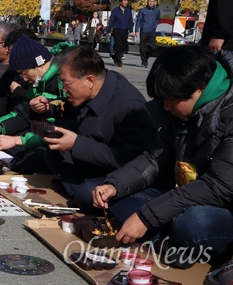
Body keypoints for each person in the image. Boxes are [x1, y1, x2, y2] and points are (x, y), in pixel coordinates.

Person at [94, 45, 233, 268]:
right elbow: (154, 157)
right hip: (185, 193)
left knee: (193, 223)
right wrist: (115, 185)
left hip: (220, 205)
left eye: (170, 99)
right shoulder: (183, 110)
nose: (166, 107)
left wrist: (146, 217)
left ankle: (170, 242)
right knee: (117, 202)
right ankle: (170, 244)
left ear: (198, 89)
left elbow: (217, 187)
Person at [29, 46, 158, 211]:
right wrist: (48, 109)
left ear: (89, 80)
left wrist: (76, 144)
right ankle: (76, 189)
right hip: (91, 161)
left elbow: (127, 159)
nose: (63, 89)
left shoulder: (128, 105)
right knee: (50, 154)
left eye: (67, 84)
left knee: (87, 193)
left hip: (120, 173)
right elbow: (70, 112)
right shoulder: (92, 89)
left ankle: (78, 192)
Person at [0, 38, 69, 173]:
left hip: (62, 139)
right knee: (2, 143)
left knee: (34, 156)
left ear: (38, 64)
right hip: (42, 133)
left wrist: (18, 140)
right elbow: (23, 111)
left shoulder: (63, 79)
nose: (23, 79)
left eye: (24, 73)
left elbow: (65, 120)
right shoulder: (38, 85)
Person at [135, 0, 160, 68]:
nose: (151, 3)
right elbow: (138, 20)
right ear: (147, 2)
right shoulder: (143, 10)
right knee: (142, 47)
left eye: (152, 1)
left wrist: (155, 25)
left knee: (153, 47)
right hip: (144, 30)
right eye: (149, 1)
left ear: (154, 2)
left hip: (152, 31)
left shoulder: (157, 10)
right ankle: (144, 61)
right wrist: (137, 30)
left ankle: (146, 57)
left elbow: (158, 18)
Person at [108, 0, 133, 67]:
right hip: (117, 30)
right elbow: (111, 21)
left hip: (125, 30)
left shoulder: (128, 11)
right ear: (120, 2)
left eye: (127, 1)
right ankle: (118, 61)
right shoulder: (115, 10)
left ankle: (115, 56)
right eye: (124, 1)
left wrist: (131, 30)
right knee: (119, 44)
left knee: (124, 45)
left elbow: (130, 21)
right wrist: (109, 30)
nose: (126, 2)